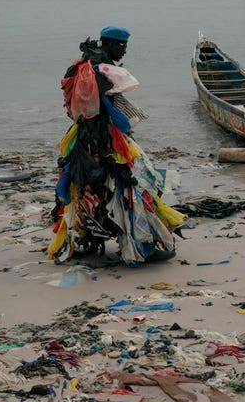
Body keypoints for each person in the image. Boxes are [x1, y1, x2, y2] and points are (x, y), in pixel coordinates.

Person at [47, 25, 186, 266]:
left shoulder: (85, 66)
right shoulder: (101, 70)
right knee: (128, 186)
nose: (124, 50)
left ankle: (85, 237)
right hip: (104, 138)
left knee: (88, 187)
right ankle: (140, 245)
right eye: (121, 45)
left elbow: (80, 108)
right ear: (109, 44)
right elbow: (105, 108)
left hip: (84, 136)